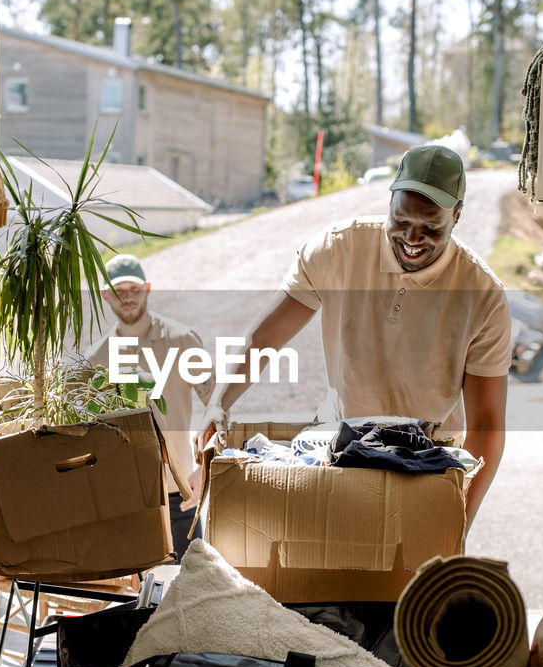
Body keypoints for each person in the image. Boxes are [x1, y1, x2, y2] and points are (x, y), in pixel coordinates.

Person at [195, 143, 512, 533]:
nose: (413, 238)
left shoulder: (483, 295)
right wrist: (219, 402)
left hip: (428, 460)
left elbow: (486, 422)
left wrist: (458, 517)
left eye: (431, 228)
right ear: (390, 201)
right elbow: (267, 336)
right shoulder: (338, 248)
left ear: (457, 216)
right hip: (343, 444)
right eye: (401, 221)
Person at [86, 253, 210, 561]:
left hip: (179, 492)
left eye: (135, 289)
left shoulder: (182, 340)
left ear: (148, 288)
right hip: (125, 500)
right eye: (119, 291)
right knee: (140, 597)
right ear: (105, 295)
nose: (127, 297)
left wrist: (205, 465)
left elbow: (216, 406)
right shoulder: (96, 360)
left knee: (192, 583)